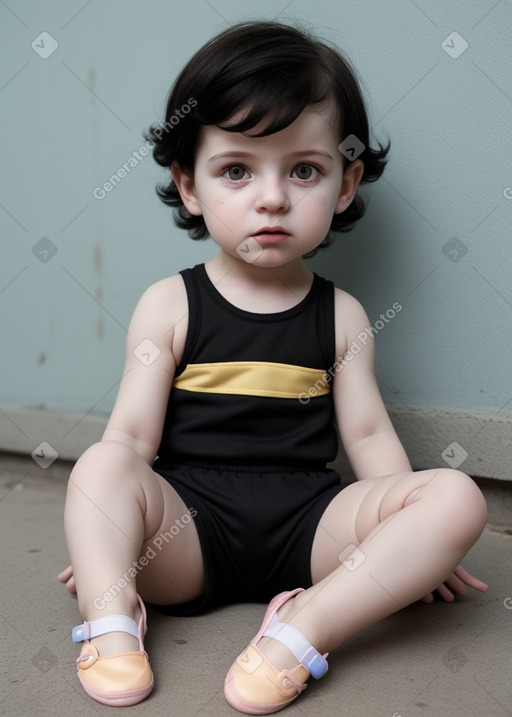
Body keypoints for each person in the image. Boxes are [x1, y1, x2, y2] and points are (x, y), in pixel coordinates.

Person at [58, 20, 488, 714]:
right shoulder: (169, 304)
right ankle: (111, 620)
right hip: (187, 531)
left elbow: (371, 438)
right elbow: (131, 443)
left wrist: (408, 545)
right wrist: (107, 534)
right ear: (188, 185)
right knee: (97, 469)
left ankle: (303, 626)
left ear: (345, 184)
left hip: (312, 532)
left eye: (304, 170)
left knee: (457, 497)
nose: (272, 198)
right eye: (236, 169)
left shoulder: (342, 315)